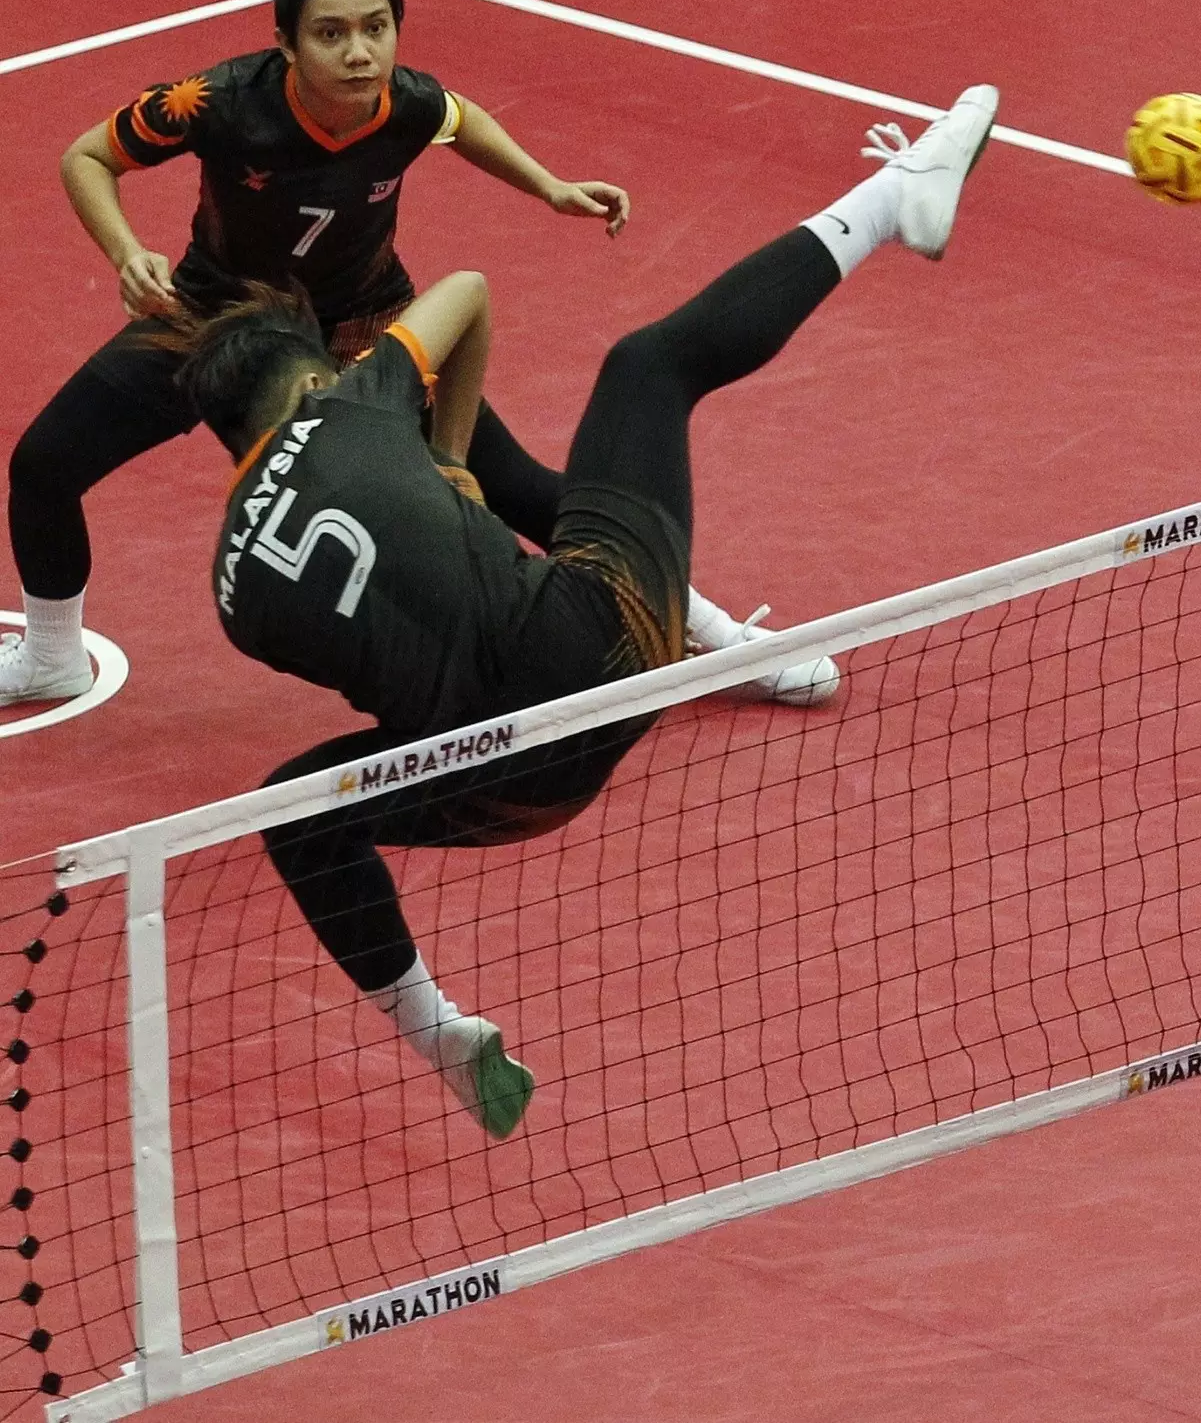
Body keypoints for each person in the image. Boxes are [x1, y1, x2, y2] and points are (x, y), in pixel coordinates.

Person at [162, 85, 998, 1139]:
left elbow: (384, 633)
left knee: (297, 809)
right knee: (649, 368)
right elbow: (464, 289)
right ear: (311, 376)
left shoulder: (232, 592)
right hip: (601, 642)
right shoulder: (350, 400)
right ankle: (894, 196)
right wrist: (453, 467)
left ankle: (441, 1036)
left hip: (518, 777)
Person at [4, 0, 836, 709]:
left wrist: (547, 185)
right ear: (287, 45)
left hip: (367, 324)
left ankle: (716, 638)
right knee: (44, 465)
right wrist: (124, 253)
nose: (359, 52)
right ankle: (52, 655)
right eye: (330, 34)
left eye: (377, 28)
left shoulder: (403, 103)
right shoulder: (214, 102)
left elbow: (460, 119)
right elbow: (88, 155)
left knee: (513, 486)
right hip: (216, 315)